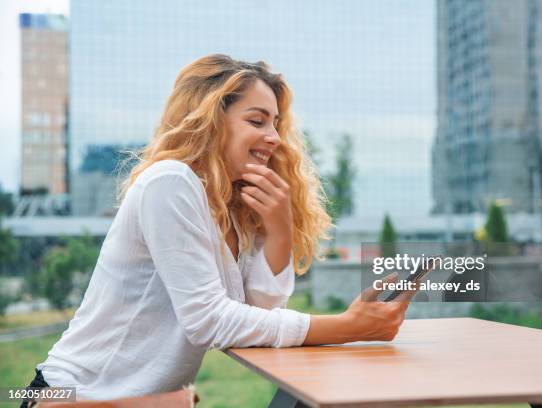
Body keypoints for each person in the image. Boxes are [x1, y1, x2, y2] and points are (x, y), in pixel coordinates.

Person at [22, 54, 417, 405]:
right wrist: (345, 327)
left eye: (276, 124)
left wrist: (279, 231)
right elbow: (209, 320)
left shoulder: (233, 209)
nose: (275, 138)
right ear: (211, 120)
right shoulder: (170, 182)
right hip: (67, 394)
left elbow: (254, 320)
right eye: (257, 120)